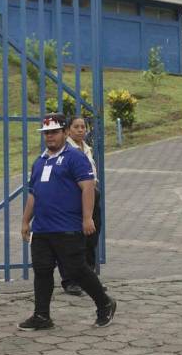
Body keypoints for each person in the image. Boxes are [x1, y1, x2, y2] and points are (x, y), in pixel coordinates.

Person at [18, 113, 117, 330]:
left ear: (64, 133)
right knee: (42, 271)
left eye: (54, 132)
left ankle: (104, 304)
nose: (49, 137)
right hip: (42, 228)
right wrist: (26, 221)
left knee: (76, 270)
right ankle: (42, 316)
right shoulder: (40, 161)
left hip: (68, 227)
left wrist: (87, 217)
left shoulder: (75, 157)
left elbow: (88, 187)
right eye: (46, 133)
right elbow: (33, 193)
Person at [58, 115, 101, 296]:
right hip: (74, 199)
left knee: (91, 239)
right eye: (76, 127)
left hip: (92, 197)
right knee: (72, 241)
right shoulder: (66, 150)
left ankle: (89, 280)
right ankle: (70, 281)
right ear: (68, 130)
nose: (81, 130)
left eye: (83, 127)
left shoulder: (87, 149)